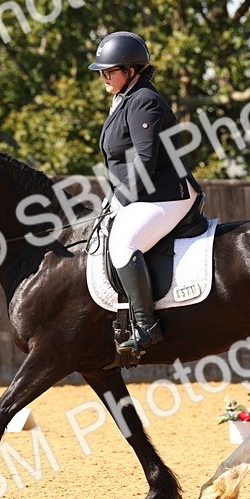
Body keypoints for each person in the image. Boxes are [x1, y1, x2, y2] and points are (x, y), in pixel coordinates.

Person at [90, 31, 202, 359]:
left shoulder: (144, 100)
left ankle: (145, 326)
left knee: (123, 244)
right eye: (101, 71)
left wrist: (120, 199)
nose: (103, 77)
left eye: (109, 71)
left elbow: (145, 160)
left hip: (167, 195)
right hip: (142, 195)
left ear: (132, 70)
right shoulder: (124, 99)